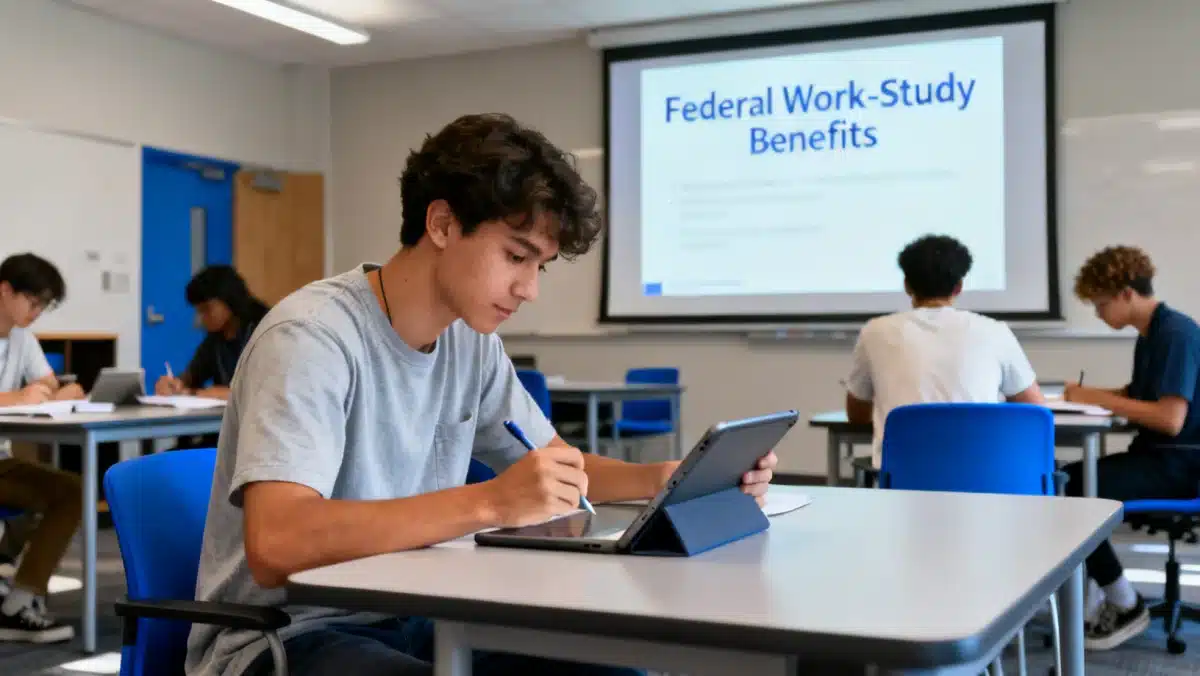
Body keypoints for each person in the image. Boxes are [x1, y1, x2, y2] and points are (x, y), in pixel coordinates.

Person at [185, 113, 778, 676]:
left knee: (613, 670)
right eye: (516, 256)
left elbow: (553, 470)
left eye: (540, 266)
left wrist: (667, 480)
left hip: (416, 611)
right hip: (286, 635)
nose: (528, 289)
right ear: (441, 224)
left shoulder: (469, 342)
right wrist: (491, 502)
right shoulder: (312, 337)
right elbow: (278, 543)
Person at [1061, 245, 1200, 650]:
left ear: (1126, 293)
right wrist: (1087, 395)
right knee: (1066, 480)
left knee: (1069, 490)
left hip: (1179, 465)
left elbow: (1169, 418)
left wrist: (1098, 398)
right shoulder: (1152, 333)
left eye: (1101, 304)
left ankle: (1125, 603)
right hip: (1159, 456)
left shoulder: (1177, 334)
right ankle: (1102, 597)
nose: (1099, 314)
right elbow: (1140, 396)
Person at [844, 234, 1045, 468]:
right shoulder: (994, 331)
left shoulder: (875, 332)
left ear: (907, 285)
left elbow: (857, 414)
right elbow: (1035, 412)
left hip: (904, 478)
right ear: (959, 287)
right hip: (982, 479)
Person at [0, 253, 81, 643]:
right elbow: (28, 394)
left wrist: (53, 391)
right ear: (5, 290)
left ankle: (19, 600)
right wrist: (19, 397)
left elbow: (49, 384)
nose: (37, 312)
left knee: (71, 489)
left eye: (43, 306)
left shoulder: (21, 337)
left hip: (2, 462)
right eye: (33, 302)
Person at [156, 265, 270, 401]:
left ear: (229, 300)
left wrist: (225, 393)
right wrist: (176, 384)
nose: (200, 318)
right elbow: (193, 374)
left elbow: (267, 390)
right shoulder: (215, 339)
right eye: (198, 311)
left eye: (206, 309)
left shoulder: (265, 329)